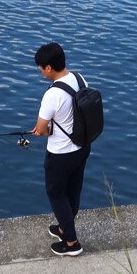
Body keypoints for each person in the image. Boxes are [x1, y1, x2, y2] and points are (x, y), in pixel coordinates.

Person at [31, 42, 91, 257]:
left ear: (49, 68)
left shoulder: (52, 95)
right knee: (73, 190)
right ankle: (65, 228)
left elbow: (41, 128)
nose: (40, 71)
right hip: (82, 148)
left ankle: (72, 243)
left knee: (56, 193)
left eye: (40, 67)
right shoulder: (79, 78)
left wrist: (41, 131)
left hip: (61, 154)